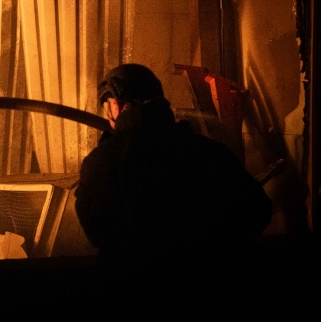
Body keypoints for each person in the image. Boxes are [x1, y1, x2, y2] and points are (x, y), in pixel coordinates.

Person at [74, 63, 272, 301]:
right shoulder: (209, 152)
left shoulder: (103, 161)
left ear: (115, 104)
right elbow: (258, 212)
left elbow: (96, 231)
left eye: (108, 107)